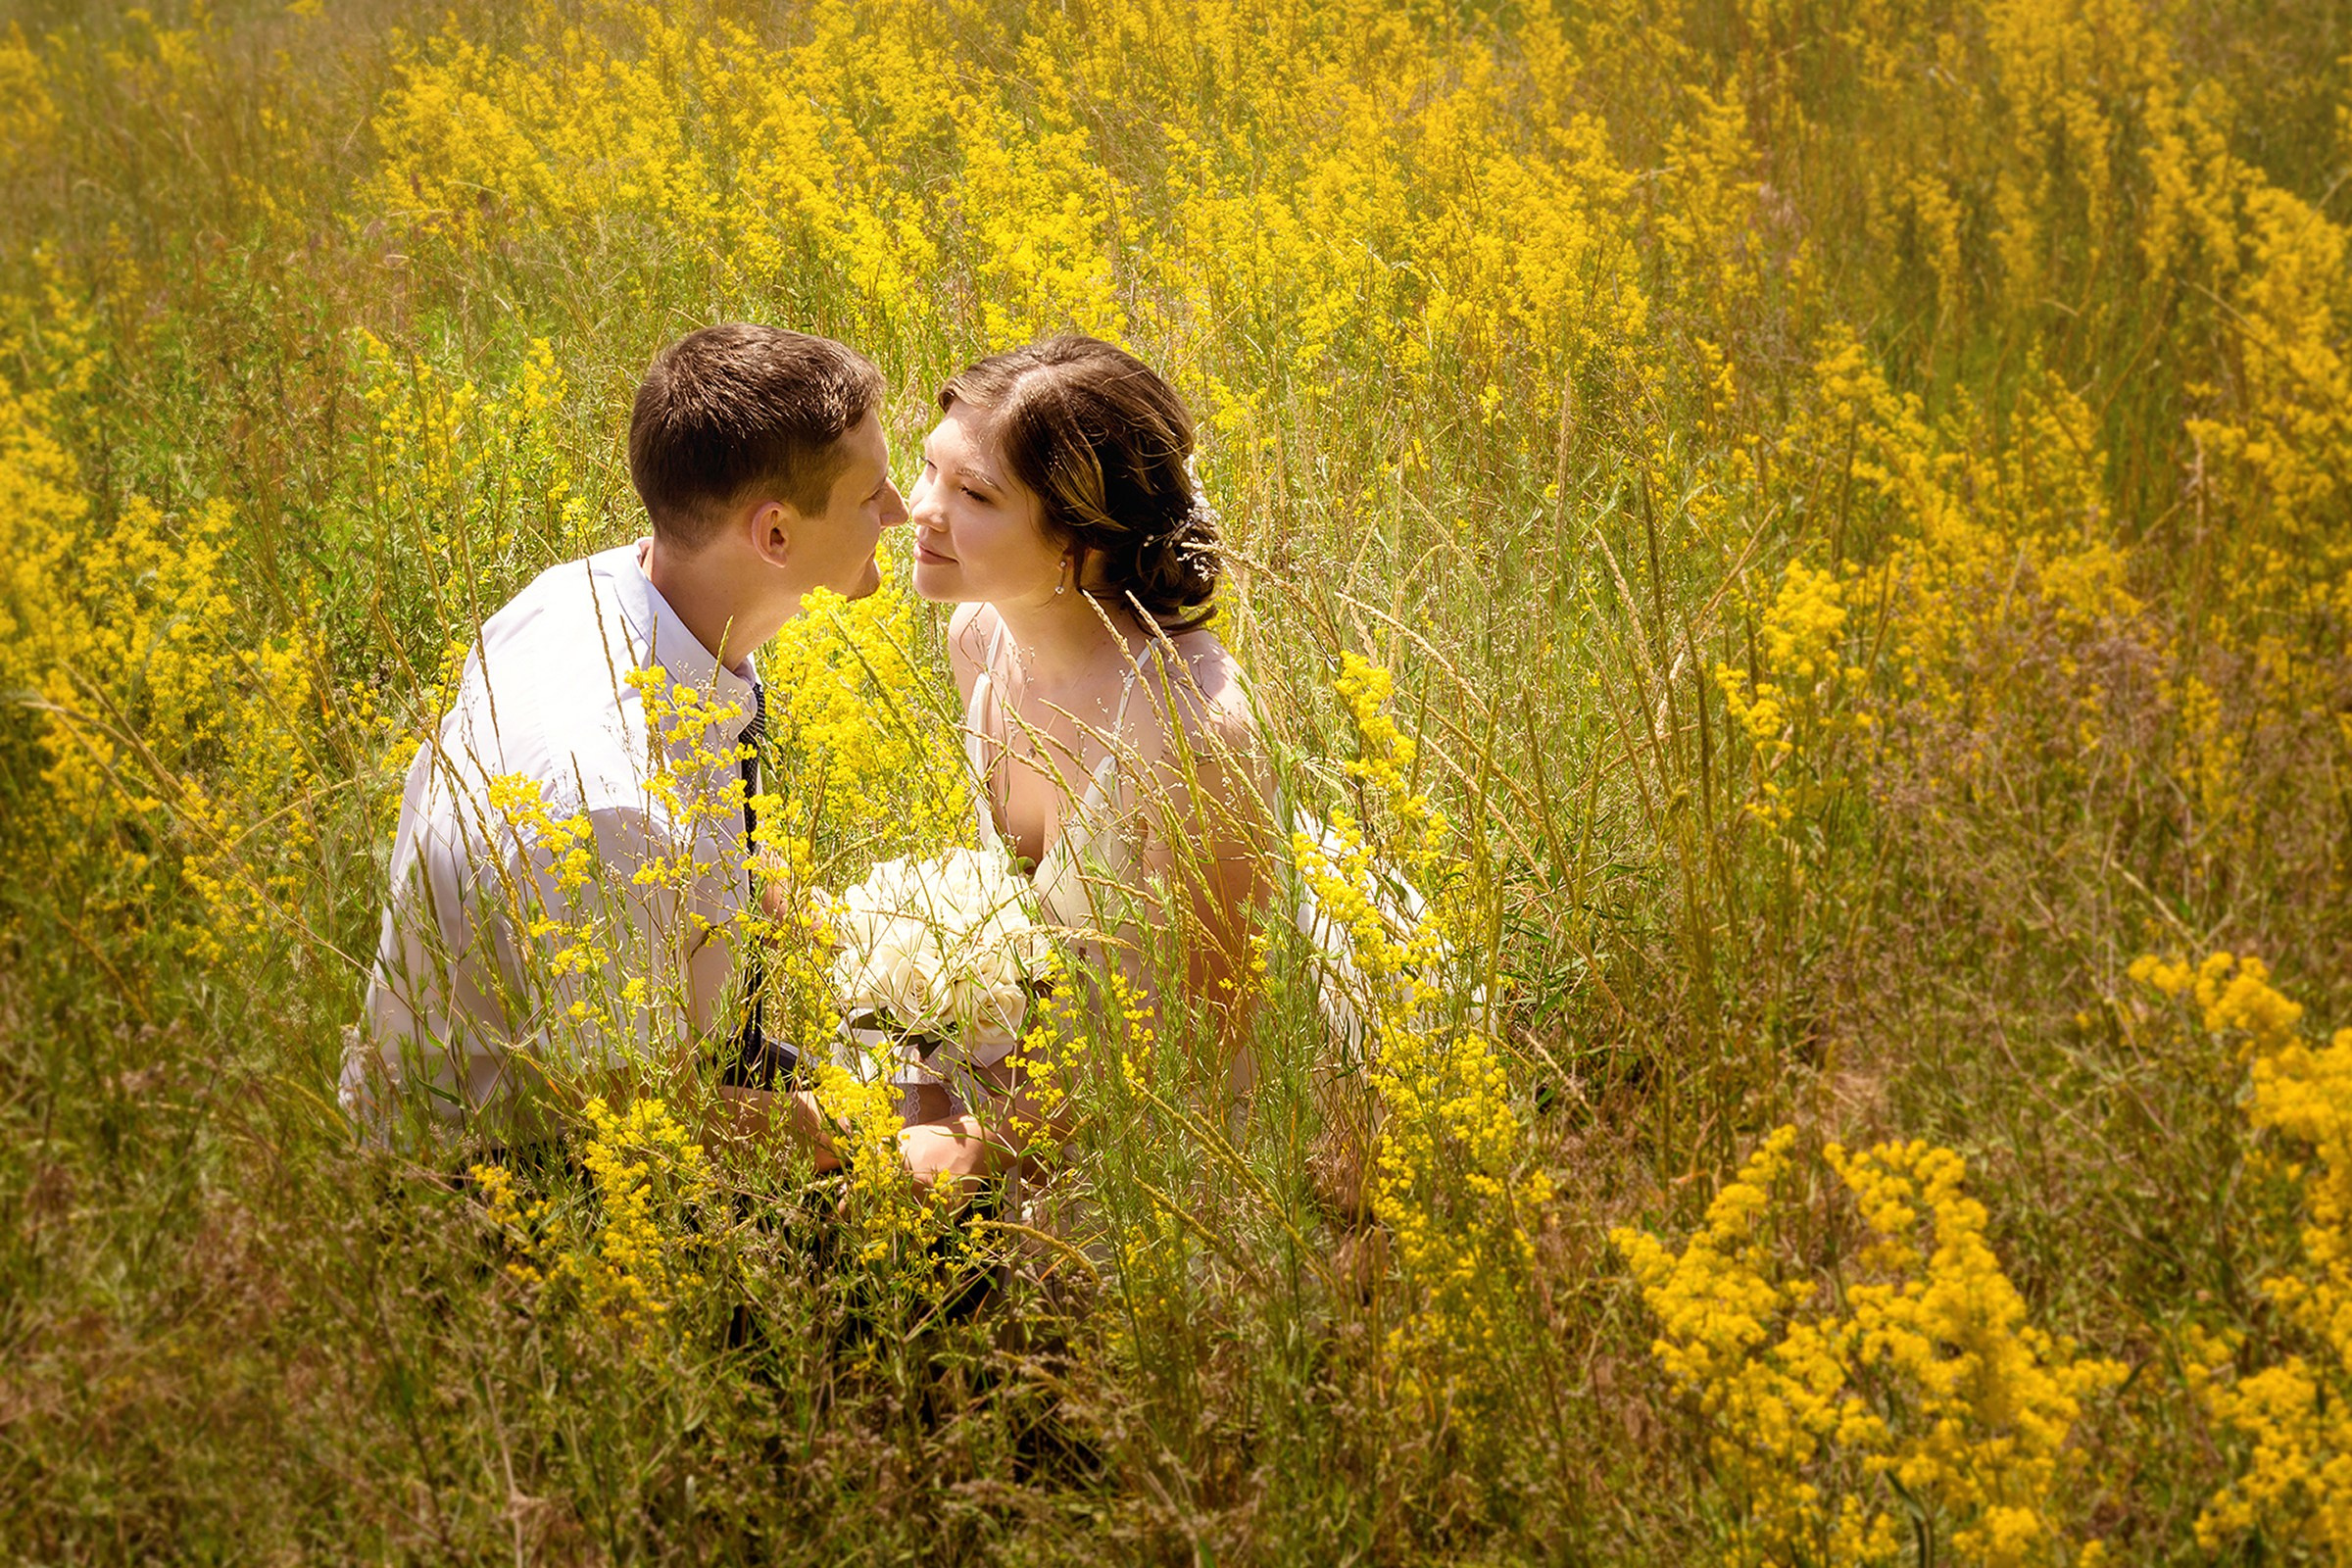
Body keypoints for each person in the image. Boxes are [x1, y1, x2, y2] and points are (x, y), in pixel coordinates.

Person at [343, 323, 906, 1162]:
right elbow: (644, 1117)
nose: (901, 511)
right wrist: (881, 1141)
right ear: (776, 535)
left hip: (658, 1074)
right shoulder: (610, 803)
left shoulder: (604, 592)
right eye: (872, 494)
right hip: (511, 1176)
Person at [892, 335, 1274, 1191]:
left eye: (975, 494)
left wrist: (989, 1143)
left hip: (1171, 1111)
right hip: (1036, 1060)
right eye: (929, 471)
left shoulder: (1197, 733)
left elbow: (1215, 1026)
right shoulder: (977, 636)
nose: (920, 508)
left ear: (1086, 538)